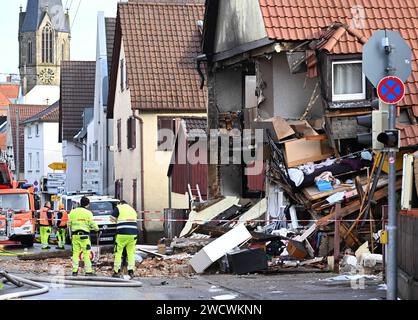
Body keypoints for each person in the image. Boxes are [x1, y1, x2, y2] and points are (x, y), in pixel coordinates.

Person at [68, 197, 99, 276]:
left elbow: (68, 224)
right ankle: (88, 271)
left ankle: (75, 271)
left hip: (75, 236)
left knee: (75, 254)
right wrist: (97, 229)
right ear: (87, 204)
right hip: (85, 236)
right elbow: (93, 224)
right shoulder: (88, 213)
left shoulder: (73, 212)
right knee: (86, 253)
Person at [110, 200, 139, 279]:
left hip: (122, 233)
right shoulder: (132, 209)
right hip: (133, 234)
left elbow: (112, 218)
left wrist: (117, 220)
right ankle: (131, 271)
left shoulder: (119, 207)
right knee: (131, 253)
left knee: (118, 252)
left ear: (120, 203)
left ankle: (117, 271)